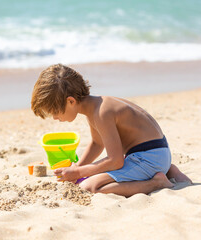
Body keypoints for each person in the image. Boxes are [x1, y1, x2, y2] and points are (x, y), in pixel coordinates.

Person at [31, 64, 191, 197]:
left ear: (71, 101)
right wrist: (76, 168)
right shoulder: (96, 105)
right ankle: (168, 169)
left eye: (54, 111)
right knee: (89, 175)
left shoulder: (101, 113)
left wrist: (79, 172)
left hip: (148, 158)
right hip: (157, 152)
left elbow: (115, 161)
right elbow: (97, 143)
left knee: (90, 186)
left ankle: (156, 182)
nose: (54, 117)